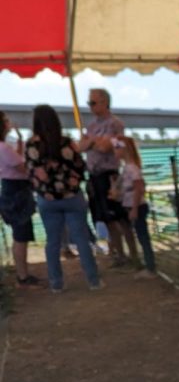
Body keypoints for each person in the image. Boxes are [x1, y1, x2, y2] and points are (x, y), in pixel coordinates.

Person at [25, 105, 101, 292]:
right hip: (72, 197)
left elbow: (30, 172)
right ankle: (93, 280)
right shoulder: (67, 142)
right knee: (81, 239)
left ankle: (56, 283)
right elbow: (80, 166)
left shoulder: (31, 145)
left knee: (52, 242)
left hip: (47, 199)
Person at [78, 87, 137, 266]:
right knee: (107, 218)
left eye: (93, 102)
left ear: (104, 102)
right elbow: (81, 146)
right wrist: (95, 142)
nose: (90, 106)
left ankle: (133, 255)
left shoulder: (115, 123)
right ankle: (119, 254)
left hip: (109, 175)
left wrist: (91, 142)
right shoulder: (91, 125)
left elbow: (109, 147)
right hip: (95, 175)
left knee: (120, 217)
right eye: (89, 103)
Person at [0, 110, 39, 286]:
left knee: (20, 233)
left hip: (11, 189)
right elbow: (22, 167)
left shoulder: (4, 147)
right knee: (21, 234)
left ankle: (22, 273)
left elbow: (16, 160)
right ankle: (22, 275)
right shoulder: (3, 147)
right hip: (17, 191)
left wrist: (20, 141)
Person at [113, 136, 156, 277]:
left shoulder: (131, 168)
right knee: (141, 236)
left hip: (136, 207)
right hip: (132, 206)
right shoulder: (129, 167)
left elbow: (139, 188)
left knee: (143, 237)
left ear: (123, 149)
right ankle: (148, 266)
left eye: (116, 147)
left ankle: (150, 268)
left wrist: (135, 209)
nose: (114, 151)